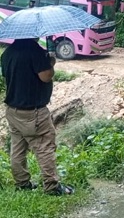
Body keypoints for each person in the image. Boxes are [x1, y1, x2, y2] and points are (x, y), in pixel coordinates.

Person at [1, 38, 74, 195]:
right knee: (45, 147)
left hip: (13, 110)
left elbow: (7, 76)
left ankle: (22, 183)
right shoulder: (35, 51)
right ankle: (52, 186)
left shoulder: (7, 53)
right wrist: (51, 64)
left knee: (17, 148)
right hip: (33, 112)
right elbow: (46, 76)